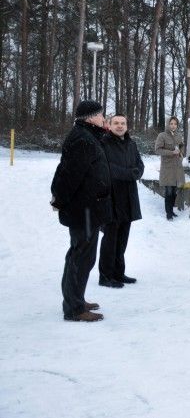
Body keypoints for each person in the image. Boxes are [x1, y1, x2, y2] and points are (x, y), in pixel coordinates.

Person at [51, 100, 112, 322]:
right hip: (83, 209)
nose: (104, 117)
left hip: (90, 208)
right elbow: (69, 175)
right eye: (100, 114)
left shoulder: (88, 136)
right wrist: (59, 199)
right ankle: (74, 308)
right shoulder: (82, 139)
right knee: (81, 257)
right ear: (90, 117)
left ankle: (77, 299)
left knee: (83, 257)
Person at [99, 114, 144, 288]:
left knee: (122, 238)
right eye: (116, 123)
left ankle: (119, 272)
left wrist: (136, 172)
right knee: (110, 239)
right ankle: (106, 275)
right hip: (111, 197)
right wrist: (131, 174)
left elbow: (140, 165)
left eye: (123, 123)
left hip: (128, 197)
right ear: (109, 125)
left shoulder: (131, 144)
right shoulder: (103, 143)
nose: (120, 126)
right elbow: (107, 168)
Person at [155, 116, 185, 220]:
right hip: (167, 167)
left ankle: (171, 211)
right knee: (169, 191)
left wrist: (181, 152)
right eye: (171, 123)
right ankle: (168, 213)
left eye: (175, 124)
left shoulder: (179, 135)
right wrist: (171, 152)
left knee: (174, 191)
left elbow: (181, 146)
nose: (173, 126)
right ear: (168, 124)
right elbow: (157, 150)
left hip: (177, 167)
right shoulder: (162, 135)